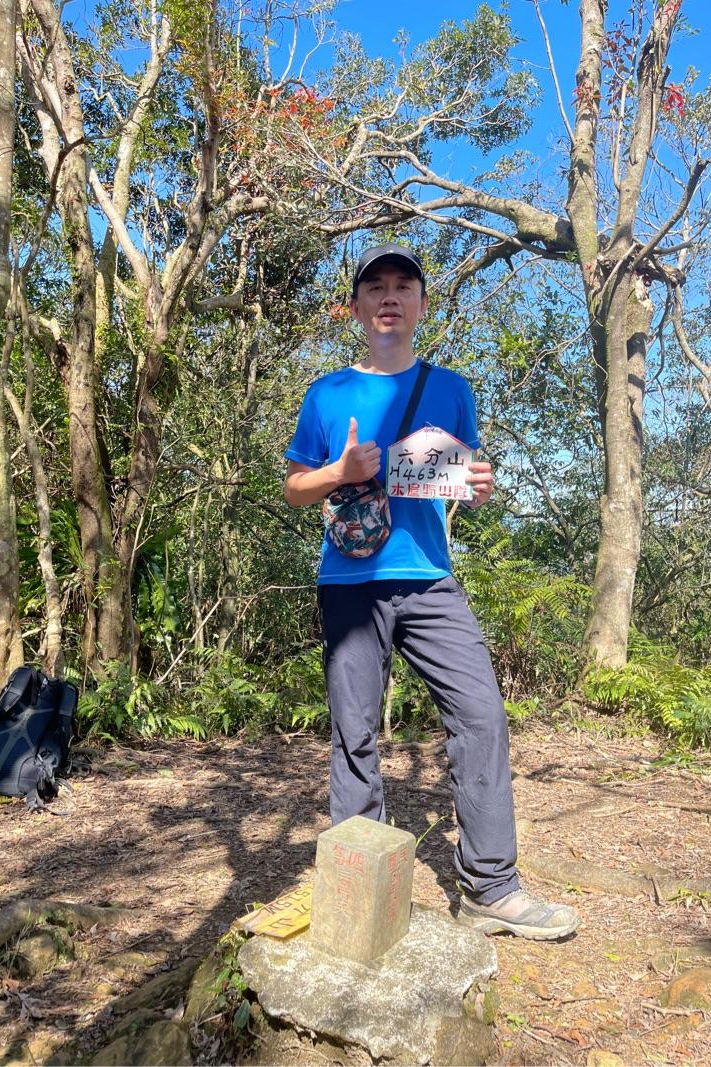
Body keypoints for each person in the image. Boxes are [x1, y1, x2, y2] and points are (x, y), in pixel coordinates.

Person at [284, 243, 580, 940]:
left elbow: (463, 479)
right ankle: (360, 892)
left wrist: (480, 486)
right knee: (354, 733)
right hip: (350, 582)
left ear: (421, 304)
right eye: (375, 287)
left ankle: (491, 889)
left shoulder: (451, 388)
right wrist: (339, 471)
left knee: (481, 716)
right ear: (356, 306)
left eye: (402, 286)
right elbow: (295, 488)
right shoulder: (326, 394)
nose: (389, 296)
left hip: (429, 576)